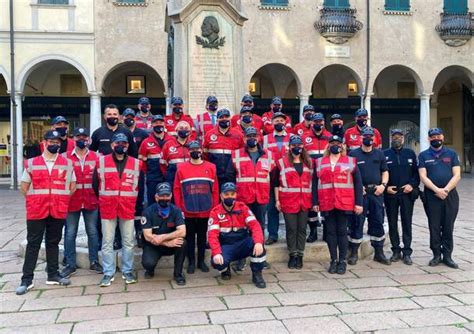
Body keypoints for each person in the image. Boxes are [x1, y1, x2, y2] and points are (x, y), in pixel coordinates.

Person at [16, 130, 75, 295]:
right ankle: (26, 280)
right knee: (33, 244)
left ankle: (53, 275)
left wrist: (60, 198)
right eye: (51, 141)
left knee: (53, 242)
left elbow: (72, 186)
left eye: (57, 141)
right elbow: (24, 186)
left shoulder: (67, 163)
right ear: (44, 142)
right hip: (37, 210)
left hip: (57, 209)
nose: (54, 144)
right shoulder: (32, 163)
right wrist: (35, 200)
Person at [93, 133, 143, 287]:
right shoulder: (101, 162)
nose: (121, 146)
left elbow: (140, 188)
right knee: (107, 242)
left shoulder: (137, 163)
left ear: (128, 146)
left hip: (127, 207)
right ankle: (108, 272)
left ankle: (127, 270)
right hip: (108, 206)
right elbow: (96, 185)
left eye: (124, 143)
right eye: (118, 143)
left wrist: (137, 207)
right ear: (112, 145)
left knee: (128, 242)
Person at [313, 135, 363, 275]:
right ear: (328, 146)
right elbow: (314, 183)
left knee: (342, 232)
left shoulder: (351, 161)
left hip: (344, 202)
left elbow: (358, 184)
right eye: (333, 143)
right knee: (330, 233)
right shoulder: (319, 162)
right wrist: (315, 202)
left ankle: (342, 261)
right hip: (327, 201)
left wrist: (359, 203)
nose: (336, 145)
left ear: (342, 146)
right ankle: (333, 260)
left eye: (338, 143)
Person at [229, 127, 275, 270]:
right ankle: (241, 260)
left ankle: (260, 258)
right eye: (248, 136)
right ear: (244, 139)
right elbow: (231, 177)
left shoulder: (269, 155)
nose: (251, 138)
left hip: (261, 197)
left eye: (254, 135)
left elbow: (272, 178)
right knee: (242, 229)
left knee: (259, 228)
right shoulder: (235, 154)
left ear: (259, 138)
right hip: (243, 198)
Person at [61, 127, 102, 279]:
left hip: (91, 201)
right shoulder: (65, 158)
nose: (81, 140)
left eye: (84, 137)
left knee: (92, 232)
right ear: (74, 138)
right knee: (70, 233)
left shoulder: (97, 157)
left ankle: (94, 261)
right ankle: (70, 264)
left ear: (89, 140)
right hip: (72, 201)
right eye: (78, 137)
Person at [208, 182, 266, 288]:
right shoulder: (215, 212)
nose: (229, 197)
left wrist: (258, 242)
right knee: (217, 262)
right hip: (226, 245)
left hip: (243, 242)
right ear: (221, 196)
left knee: (259, 246)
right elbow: (212, 235)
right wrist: (216, 252)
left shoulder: (243, 208)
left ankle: (257, 274)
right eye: (226, 194)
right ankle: (225, 270)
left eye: (232, 194)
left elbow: (255, 226)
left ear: (236, 195)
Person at [174, 140, 219, 274]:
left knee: (201, 238)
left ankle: (201, 261)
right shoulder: (181, 167)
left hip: (206, 209)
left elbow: (215, 190)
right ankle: (191, 262)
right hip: (187, 209)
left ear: (201, 151)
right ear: (189, 151)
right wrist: (179, 209)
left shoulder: (211, 167)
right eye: (192, 149)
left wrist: (214, 208)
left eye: (197, 149)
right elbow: (176, 189)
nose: (195, 151)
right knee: (189, 237)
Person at [419, 127, 461, 269]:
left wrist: (446, 190)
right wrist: (437, 190)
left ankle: (447, 256)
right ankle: (436, 254)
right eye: (433, 137)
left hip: (450, 195)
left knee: (448, 226)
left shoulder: (452, 154)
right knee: (434, 226)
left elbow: (457, 175)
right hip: (432, 195)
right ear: (429, 139)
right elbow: (423, 176)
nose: (436, 139)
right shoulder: (423, 155)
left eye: (438, 136)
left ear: (442, 137)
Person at [349, 127, 391, 265]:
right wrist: (358, 188)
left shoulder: (379, 154)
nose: (369, 139)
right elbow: (349, 173)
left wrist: (383, 186)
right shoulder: (353, 154)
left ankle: (379, 253)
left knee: (377, 221)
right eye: (366, 136)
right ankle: (353, 253)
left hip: (376, 193)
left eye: (371, 137)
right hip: (360, 194)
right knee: (357, 222)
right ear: (361, 138)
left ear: (374, 138)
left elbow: (385, 171)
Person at [272, 135, 313, 269]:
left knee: (302, 229)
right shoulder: (281, 162)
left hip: (304, 201)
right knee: (291, 229)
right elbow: (275, 183)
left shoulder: (309, 162)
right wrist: (277, 200)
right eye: (294, 145)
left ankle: (300, 255)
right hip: (288, 201)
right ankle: (292, 254)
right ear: (289, 147)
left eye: (299, 145)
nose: (297, 147)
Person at [383, 129, 420, 265]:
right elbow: (380, 173)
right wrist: (386, 188)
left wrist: (412, 184)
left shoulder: (410, 153)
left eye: (399, 137)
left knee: (407, 222)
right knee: (392, 223)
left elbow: (416, 173)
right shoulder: (384, 154)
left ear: (403, 139)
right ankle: (396, 250)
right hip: (391, 194)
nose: (396, 139)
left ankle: (407, 252)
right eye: (394, 137)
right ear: (391, 139)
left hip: (406, 194)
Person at [141, 182, 186, 285]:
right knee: (147, 263)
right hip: (153, 245)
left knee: (182, 243)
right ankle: (150, 270)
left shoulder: (176, 211)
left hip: (170, 243)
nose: (164, 198)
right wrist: (166, 243)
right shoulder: (147, 212)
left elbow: (182, 231)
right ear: (156, 197)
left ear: (171, 196)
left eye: (167, 195)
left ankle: (178, 274)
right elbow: (147, 236)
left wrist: (162, 238)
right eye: (161, 195)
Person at [262, 112, 291, 245]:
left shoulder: (292, 138)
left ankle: (290, 235)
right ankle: (273, 235)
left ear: (285, 123)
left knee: (289, 206)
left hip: (288, 176)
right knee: (272, 206)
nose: (279, 122)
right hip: (272, 175)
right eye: (276, 120)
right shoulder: (265, 139)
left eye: (281, 120)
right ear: (272, 123)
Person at [302, 112, 331, 243]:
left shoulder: (330, 137)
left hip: (326, 175)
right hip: (310, 174)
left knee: (325, 202)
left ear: (324, 123)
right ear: (311, 123)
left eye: (321, 122)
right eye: (316, 122)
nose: (318, 124)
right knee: (311, 203)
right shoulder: (304, 137)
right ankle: (313, 231)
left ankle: (326, 231)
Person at [202, 108, 243, 188]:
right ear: (217, 119)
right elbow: (205, 154)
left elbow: (242, 154)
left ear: (230, 118)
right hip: (215, 174)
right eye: (221, 117)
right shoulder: (209, 135)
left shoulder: (238, 135)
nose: (224, 119)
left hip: (232, 175)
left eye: (226, 116)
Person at [139, 115, 172, 205]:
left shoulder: (172, 140)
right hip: (153, 177)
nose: (158, 125)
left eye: (161, 122)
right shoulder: (146, 142)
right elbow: (142, 162)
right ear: (152, 124)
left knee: (169, 202)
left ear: (164, 124)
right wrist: (149, 173)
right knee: (152, 202)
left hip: (168, 177)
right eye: (156, 123)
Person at [161, 121, 192, 188]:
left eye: (186, 128)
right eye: (181, 128)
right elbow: (162, 164)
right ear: (176, 130)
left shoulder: (194, 145)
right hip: (172, 178)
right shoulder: (168, 144)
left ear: (190, 131)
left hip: (189, 178)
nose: (184, 129)